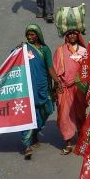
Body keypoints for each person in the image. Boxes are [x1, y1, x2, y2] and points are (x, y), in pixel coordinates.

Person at [21, 24, 60, 158]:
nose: (30, 37)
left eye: (32, 34)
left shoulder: (45, 50)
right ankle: (27, 145)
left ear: (38, 35)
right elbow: (12, 62)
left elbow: (50, 68)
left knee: (46, 110)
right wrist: (17, 51)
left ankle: (35, 132)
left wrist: (57, 81)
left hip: (43, 87)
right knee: (26, 115)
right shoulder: (23, 49)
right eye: (28, 35)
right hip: (27, 88)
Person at [53, 29, 87, 154]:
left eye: (74, 34)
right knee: (64, 114)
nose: (72, 36)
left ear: (78, 36)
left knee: (80, 114)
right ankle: (67, 142)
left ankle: (81, 140)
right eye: (69, 34)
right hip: (63, 87)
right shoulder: (60, 50)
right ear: (66, 36)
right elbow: (55, 69)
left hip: (79, 87)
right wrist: (56, 85)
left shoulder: (83, 51)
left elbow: (87, 70)